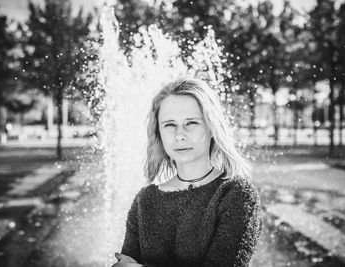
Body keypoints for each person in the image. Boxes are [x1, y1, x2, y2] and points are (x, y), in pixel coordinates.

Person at [112, 77, 262, 267]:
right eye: (169, 124)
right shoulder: (145, 200)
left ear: (212, 127)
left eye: (191, 123)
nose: (179, 135)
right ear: (158, 133)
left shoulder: (237, 194)